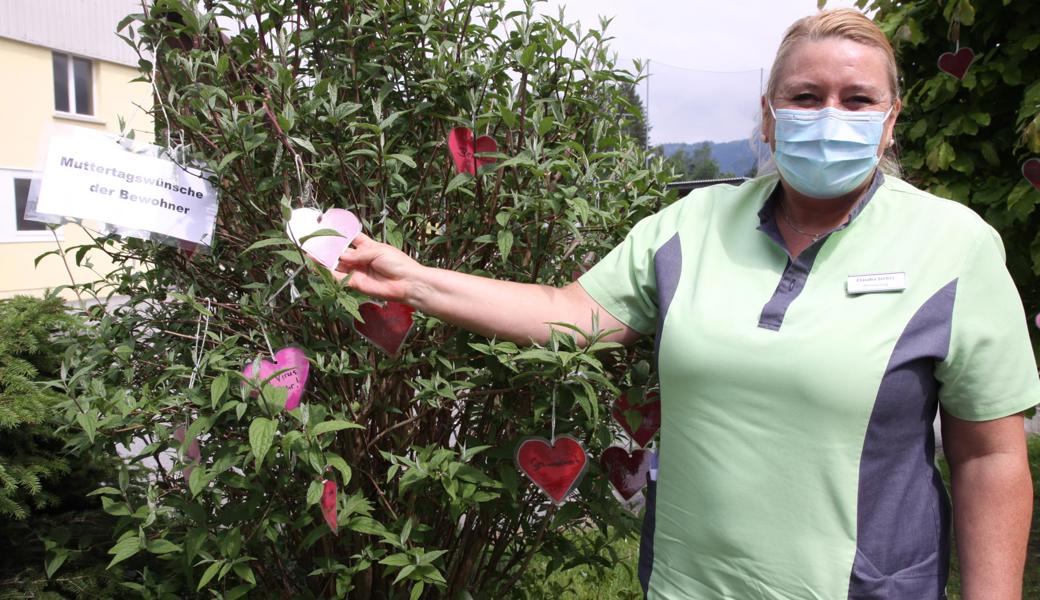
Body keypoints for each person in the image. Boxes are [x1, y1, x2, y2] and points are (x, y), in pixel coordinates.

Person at [330, 9, 1037, 599]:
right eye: (804, 97)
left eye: (857, 101)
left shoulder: (953, 248)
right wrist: (414, 280)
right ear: (767, 115)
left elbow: (990, 459)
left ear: (889, 123)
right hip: (689, 583)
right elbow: (572, 313)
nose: (829, 117)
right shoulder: (690, 226)